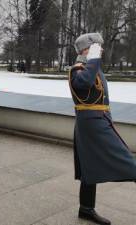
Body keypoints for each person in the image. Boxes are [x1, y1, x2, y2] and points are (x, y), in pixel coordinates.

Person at [69, 33, 136, 225]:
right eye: (97, 47)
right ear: (85, 50)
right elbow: (84, 83)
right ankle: (86, 209)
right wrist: (93, 58)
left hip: (98, 122)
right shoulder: (78, 69)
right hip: (92, 126)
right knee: (129, 164)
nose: (102, 50)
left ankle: (86, 209)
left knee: (90, 166)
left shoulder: (92, 67)